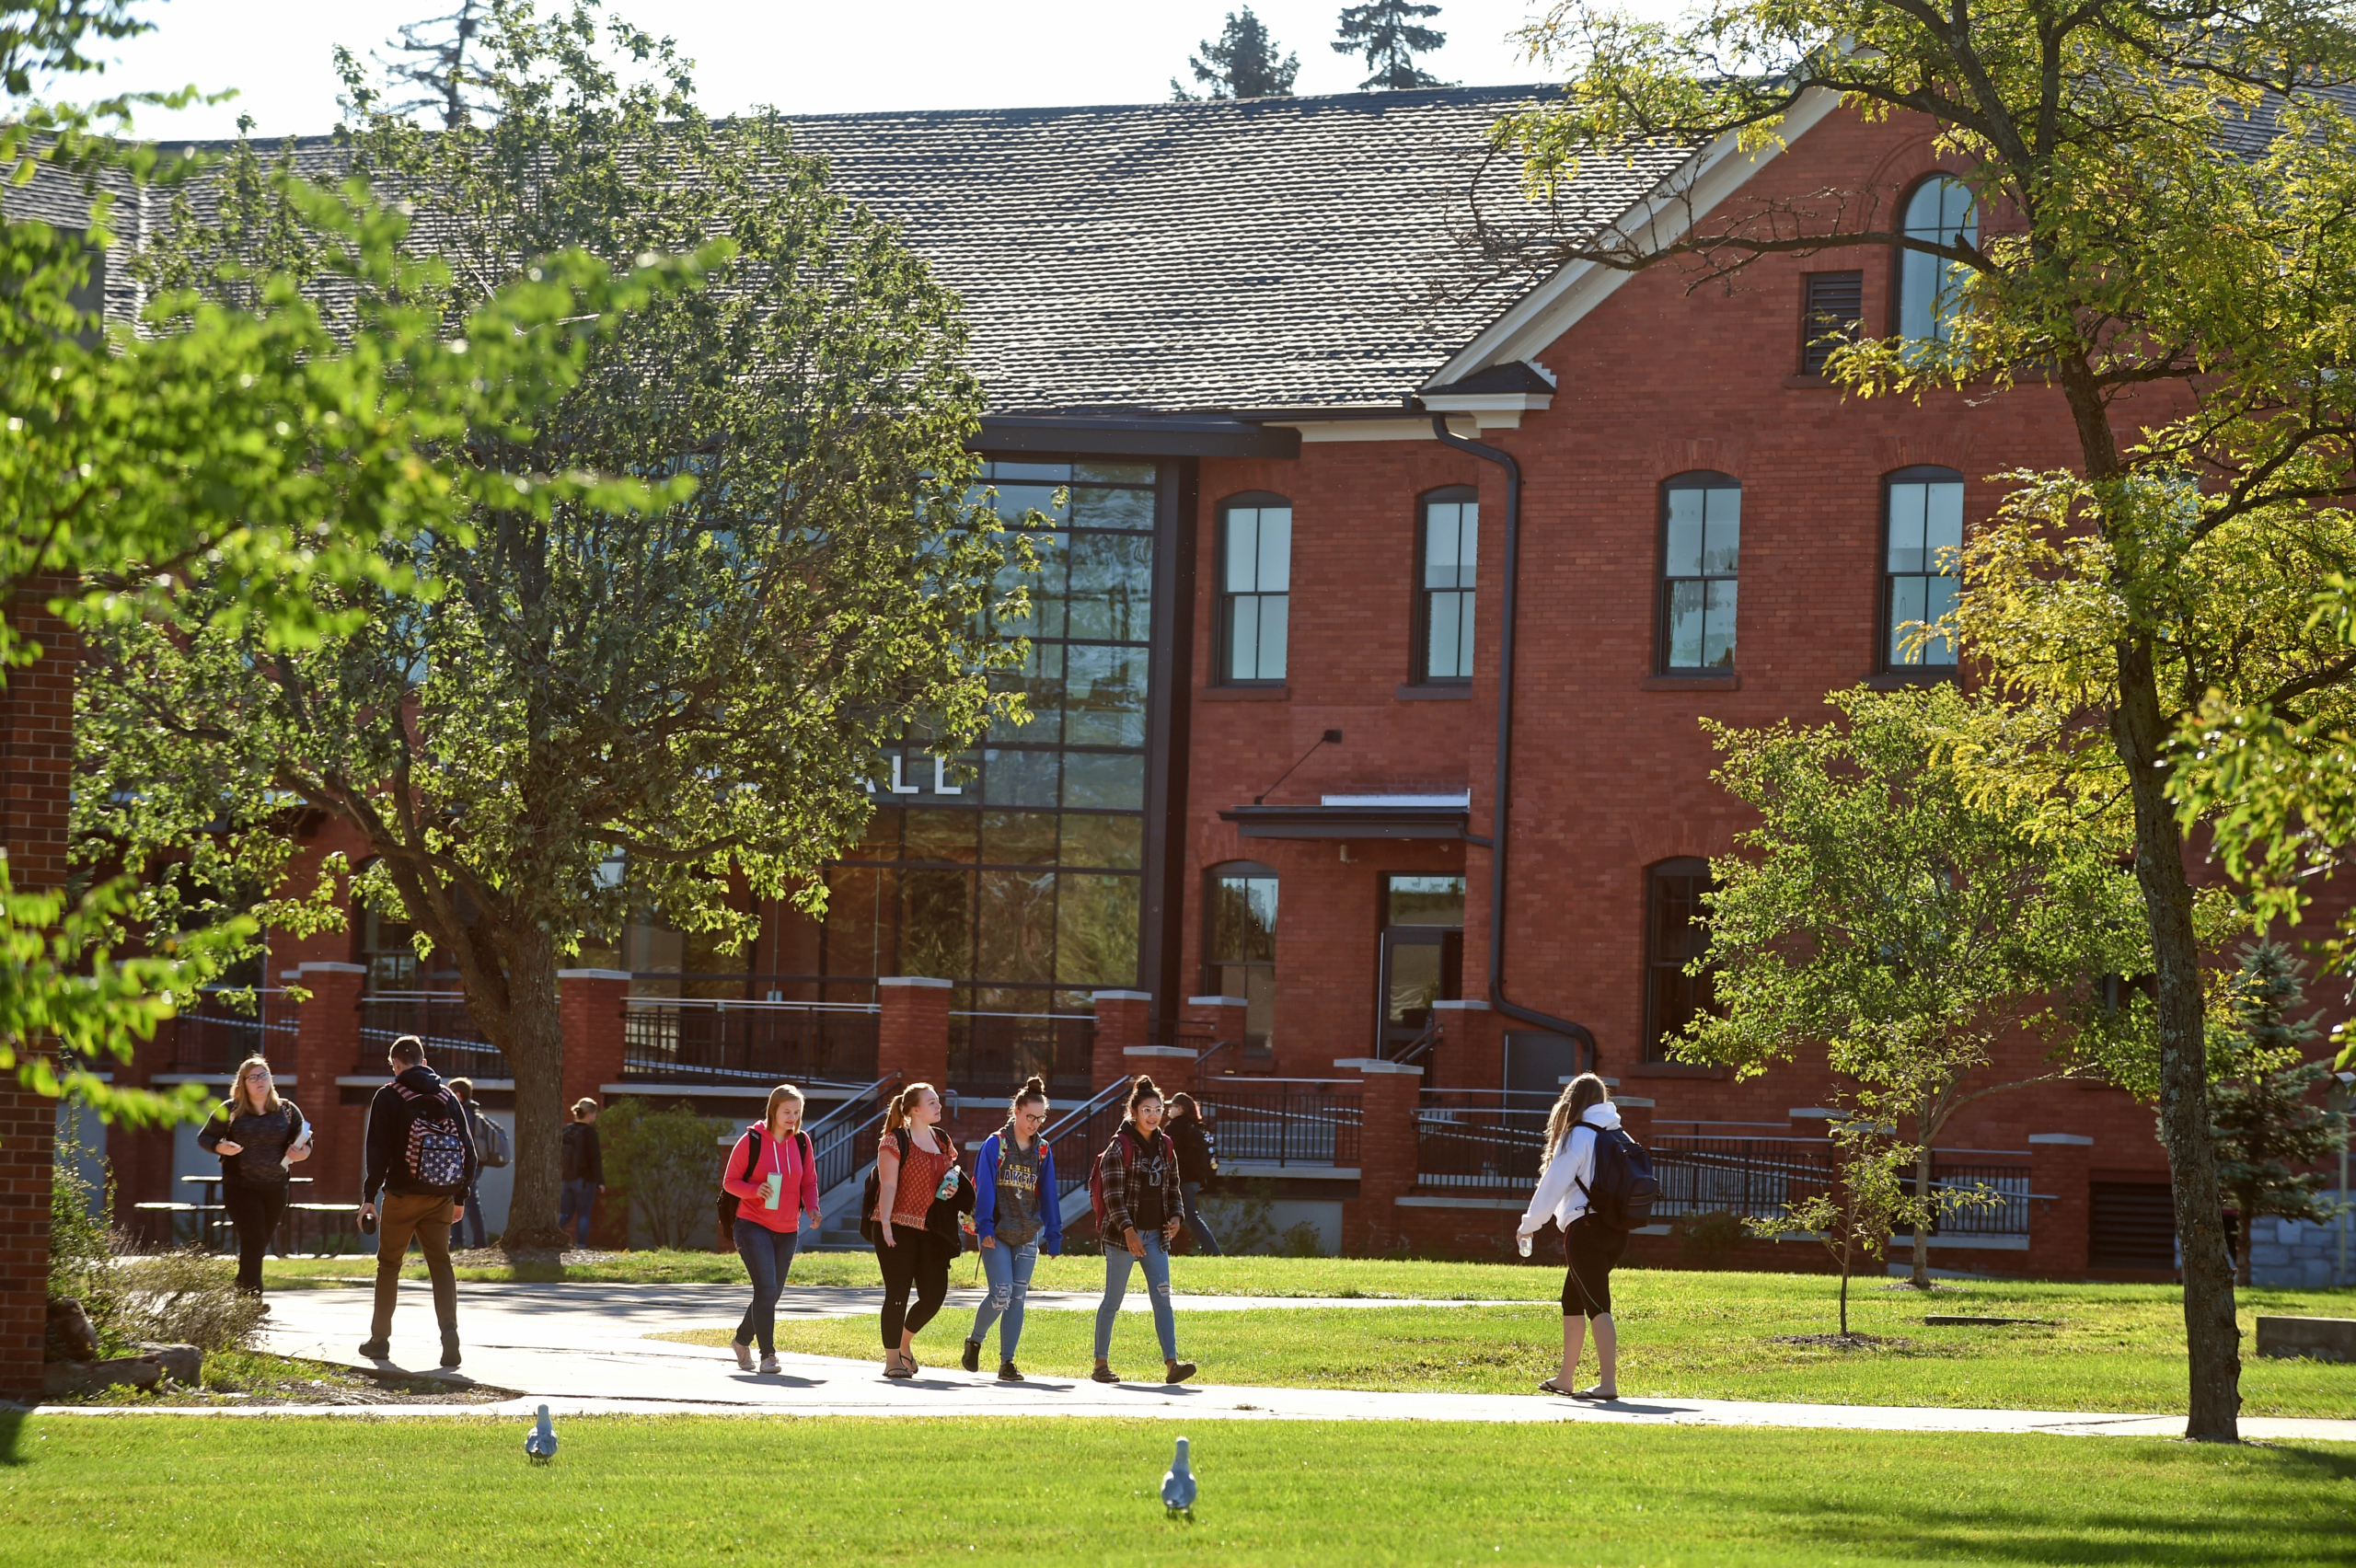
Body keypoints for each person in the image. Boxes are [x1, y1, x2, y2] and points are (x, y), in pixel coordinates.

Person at [359, 1033, 479, 1368]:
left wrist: (369, 1198)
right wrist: (460, 1196)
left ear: (396, 1065)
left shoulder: (388, 1095)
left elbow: (377, 1152)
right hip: (441, 1197)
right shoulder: (448, 1096)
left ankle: (380, 1341)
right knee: (441, 1264)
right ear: (424, 1062)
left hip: (401, 1197)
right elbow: (469, 1153)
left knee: (389, 1266)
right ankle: (450, 1338)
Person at [1515, 1073, 1627, 1400]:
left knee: (1597, 1305)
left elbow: (1552, 1185)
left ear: (1572, 1101)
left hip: (1586, 1230)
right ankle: (1565, 1378)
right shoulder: (1617, 1132)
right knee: (1573, 1300)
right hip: (1616, 1231)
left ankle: (1608, 1385)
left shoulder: (1579, 1136)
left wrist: (1528, 1225)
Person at [1092, 1075, 1195, 1386]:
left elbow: (1173, 1186)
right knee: (1113, 1300)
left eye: (1158, 1110)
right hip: (1124, 1238)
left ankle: (1172, 1365)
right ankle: (1100, 1365)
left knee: (1163, 1300)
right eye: (1147, 1110)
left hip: (1156, 1236)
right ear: (1134, 1111)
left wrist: (1177, 1216)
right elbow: (1112, 1195)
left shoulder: (1165, 1145)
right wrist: (1128, 1230)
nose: (1153, 1116)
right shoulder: (1119, 1146)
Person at [961, 1076, 1062, 1380]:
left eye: (1040, 1118)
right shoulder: (997, 1144)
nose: (1034, 1123)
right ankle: (975, 1340)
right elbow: (985, 1190)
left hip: (1027, 1232)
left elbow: (1049, 1194)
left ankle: (1007, 1363)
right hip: (997, 1232)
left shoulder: (1042, 1150)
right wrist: (985, 1228)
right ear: (1015, 1111)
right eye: (1029, 1116)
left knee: (1018, 1298)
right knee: (1001, 1294)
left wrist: (1054, 1235)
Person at [870, 1080, 972, 1379]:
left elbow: (949, 1176)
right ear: (914, 1110)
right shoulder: (894, 1140)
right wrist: (886, 1224)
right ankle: (892, 1361)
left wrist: (952, 1189)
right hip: (896, 1227)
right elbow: (888, 1185)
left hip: (932, 1230)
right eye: (932, 1102)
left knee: (934, 1296)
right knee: (898, 1294)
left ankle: (904, 1345)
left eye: (938, 1101)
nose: (939, 1106)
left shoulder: (941, 1140)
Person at [721, 1083, 822, 1375]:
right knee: (765, 1289)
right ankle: (768, 1356)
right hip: (752, 1225)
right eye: (786, 1111)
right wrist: (755, 1190)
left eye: (796, 1112)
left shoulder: (802, 1142)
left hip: (788, 1228)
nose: (792, 1117)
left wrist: (813, 1207)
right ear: (773, 1110)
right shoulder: (751, 1141)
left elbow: (809, 1182)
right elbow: (730, 1182)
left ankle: (741, 1340)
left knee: (771, 1293)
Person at [194, 1056, 310, 1302]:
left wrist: (301, 1154)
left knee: (257, 1244)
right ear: (243, 1083)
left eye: (264, 1075)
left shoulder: (287, 1110)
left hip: (276, 1187)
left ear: (271, 1079)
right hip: (240, 1186)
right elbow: (204, 1138)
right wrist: (219, 1147)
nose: (260, 1081)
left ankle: (241, 1286)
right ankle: (251, 1298)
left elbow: (306, 1141)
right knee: (254, 1239)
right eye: (253, 1077)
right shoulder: (231, 1109)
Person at [1165, 1091, 1221, 1256]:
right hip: (1195, 1180)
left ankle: (1213, 1250)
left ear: (1180, 1109)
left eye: (1172, 1106)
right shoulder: (1197, 1128)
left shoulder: (1174, 1127)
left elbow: (1167, 1153)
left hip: (1181, 1179)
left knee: (1189, 1216)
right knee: (1176, 1215)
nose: (1169, 1109)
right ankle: (1161, 1250)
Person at [445, 1078, 490, 1251]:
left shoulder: (461, 1113)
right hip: (469, 1164)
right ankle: (461, 1241)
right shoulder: (471, 1111)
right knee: (462, 1202)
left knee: (468, 1203)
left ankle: (474, 1242)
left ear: (457, 1094)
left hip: (463, 1164)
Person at [559, 1097, 605, 1249]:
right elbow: (595, 1158)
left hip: (565, 1179)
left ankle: (544, 1236)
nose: (596, 1115)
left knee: (564, 1214)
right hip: (584, 1180)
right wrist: (600, 1181)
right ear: (590, 1114)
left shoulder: (566, 1130)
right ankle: (580, 1246)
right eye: (595, 1113)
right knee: (583, 1215)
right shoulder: (590, 1133)